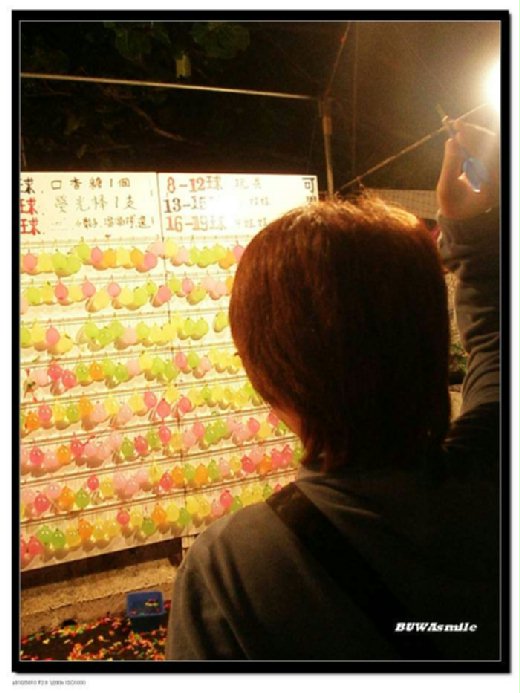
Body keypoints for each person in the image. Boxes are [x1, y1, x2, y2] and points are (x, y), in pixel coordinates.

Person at [166, 121, 500, 661]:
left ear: (269, 375)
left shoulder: (231, 570)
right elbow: (498, 347)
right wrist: (472, 227)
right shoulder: (492, 469)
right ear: (432, 345)